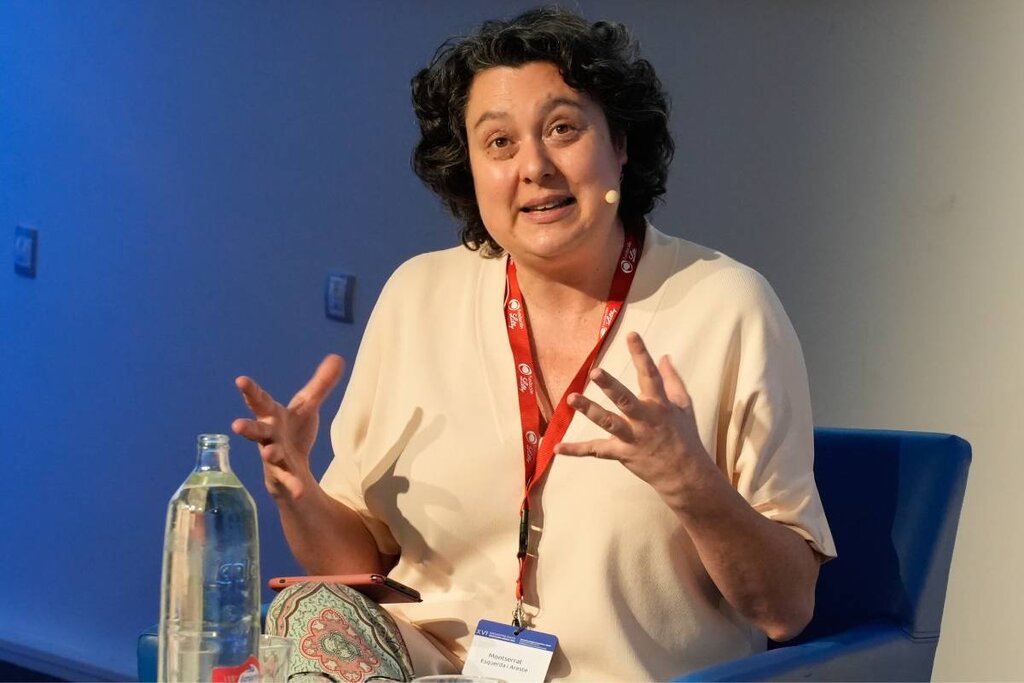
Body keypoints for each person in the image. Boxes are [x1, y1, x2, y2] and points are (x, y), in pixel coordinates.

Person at [233, 7, 836, 681]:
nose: (534, 166)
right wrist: (297, 489)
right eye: (499, 143)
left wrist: (690, 482)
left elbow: (787, 607)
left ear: (621, 144)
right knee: (309, 614)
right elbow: (356, 567)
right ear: (470, 167)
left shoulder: (725, 307)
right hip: (429, 666)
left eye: (563, 128)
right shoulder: (418, 294)